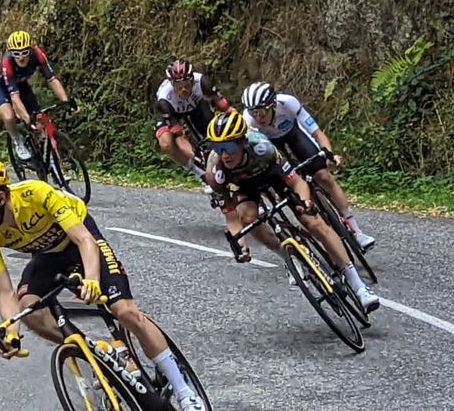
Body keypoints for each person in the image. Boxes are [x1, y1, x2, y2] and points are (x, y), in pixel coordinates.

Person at [0, 159, 209, 411]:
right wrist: (11, 331)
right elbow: (5, 291)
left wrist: (91, 279)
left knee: (124, 311)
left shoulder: (35, 194)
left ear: (1, 197)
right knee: (29, 309)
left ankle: (185, 393)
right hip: (48, 256)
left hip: (81, 240)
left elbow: (84, 240)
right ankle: (98, 350)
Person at [203, 111, 380, 311]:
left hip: (271, 173)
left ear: (243, 142)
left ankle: (359, 286)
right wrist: (241, 245)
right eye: (218, 148)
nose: (224, 153)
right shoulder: (216, 172)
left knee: (312, 220)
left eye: (229, 146)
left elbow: (297, 181)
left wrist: (306, 202)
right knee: (248, 218)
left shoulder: (263, 148)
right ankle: (288, 254)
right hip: (243, 187)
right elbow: (231, 216)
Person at [241, 81, 375, 251]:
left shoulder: (288, 104)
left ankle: (356, 231)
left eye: (262, 111)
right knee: (291, 192)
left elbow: (317, 133)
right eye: (254, 112)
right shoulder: (248, 122)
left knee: (324, 176)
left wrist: (328, 153)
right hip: (269, 147)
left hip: (293, 134)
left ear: (273, 105)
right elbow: (261, 158)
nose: (258, 117)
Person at [0, 30, 73, 161]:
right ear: (11, 53)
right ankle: (18, 141)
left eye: (24, 52)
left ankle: (52, 161)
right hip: (1, 86)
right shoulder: (7, 63)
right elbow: (15, 99)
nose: (21, 57)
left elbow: (52, 80)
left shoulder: (38, 55)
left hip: (21, 84)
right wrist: (28, 120)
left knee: (39, 119)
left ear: (30, 50)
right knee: (9, 116)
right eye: (16, 54)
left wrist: (66, 101)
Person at [154, 58, 232, 185]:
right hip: (172, 111)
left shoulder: (201, 81)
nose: (183, 90)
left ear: (192, 80)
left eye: (187, 85)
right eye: (179, 87)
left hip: (195, 106)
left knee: (215, 132)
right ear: (172, 85)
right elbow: (179, 136)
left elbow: (225, 107)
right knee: (166, 144)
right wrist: (194, 156)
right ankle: (198, 172)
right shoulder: (164, 98)